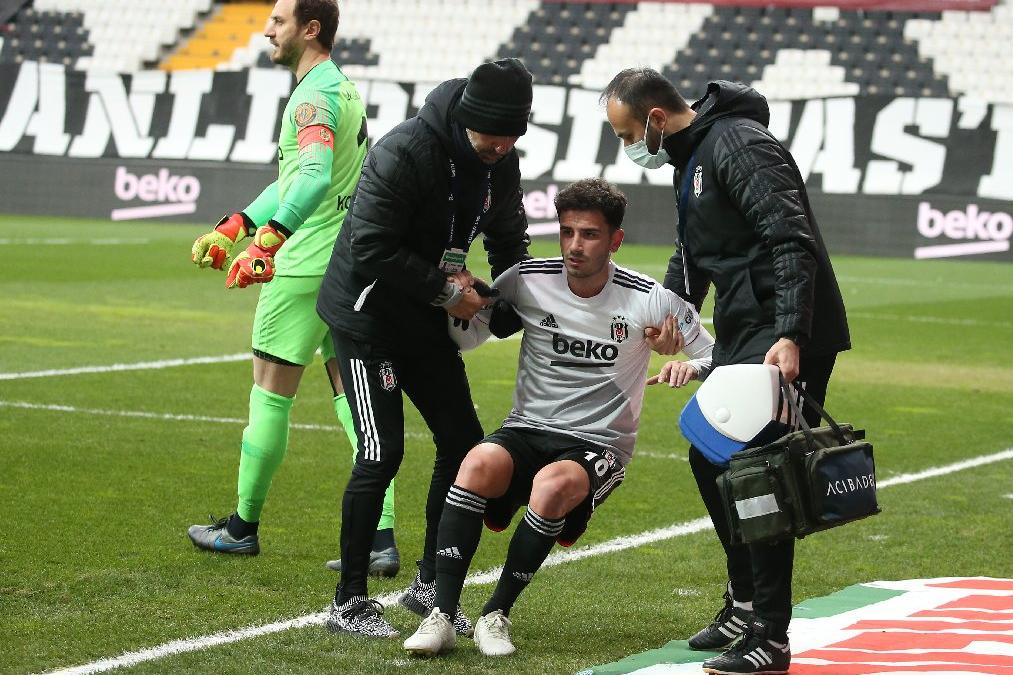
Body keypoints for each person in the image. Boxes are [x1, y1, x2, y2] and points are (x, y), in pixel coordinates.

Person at [399, 177, 715, 657]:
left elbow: (718, 356)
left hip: (598, 443)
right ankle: (442, 614)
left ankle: (495, 614)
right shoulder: (527, 279)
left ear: (615, 240)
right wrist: (460, 299)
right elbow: (470, 337)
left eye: (588, 234)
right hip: (528, 427)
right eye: (567, 232)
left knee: (550, 486)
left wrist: (686, 364)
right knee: (476, 464)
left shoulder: (649, 299)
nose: (574, 245)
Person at [602, 69, 852, 675]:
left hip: (785, 333)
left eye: (628, 132)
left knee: (757, 471)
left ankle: (771, 634)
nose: (628, 145)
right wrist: (665, 317)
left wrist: (790, 333)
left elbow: (790, 240)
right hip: (751, 332)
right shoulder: (692, 161)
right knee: (711, 458)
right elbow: (692, 256)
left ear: (656, 119)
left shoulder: (738, 144)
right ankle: (745, 605)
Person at [315, 58, 536, 638]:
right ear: (466, 117)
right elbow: (369, 247)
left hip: (423, 320)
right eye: (493, 135)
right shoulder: (405, 151)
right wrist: (444, 291)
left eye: (512, 136)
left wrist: (515, 299)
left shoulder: (501, 159)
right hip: (368, 319)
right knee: (382, 453)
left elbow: (509, 235)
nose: (500, 147)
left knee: (463, 443)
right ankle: (349, 600)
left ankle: (430, 588)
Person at [185, 0, 401, 575]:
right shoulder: (341, 89)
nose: (265, 30)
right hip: (348, 266)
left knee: (269, 391)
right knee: (357, 403)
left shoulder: (312, 96)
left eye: (277, 22)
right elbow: (302, 177)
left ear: (310, 30)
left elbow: (307, 178)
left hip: (305, 267)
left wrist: (268, 242)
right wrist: (238, 225)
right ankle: (381, 540)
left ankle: (241, 526)